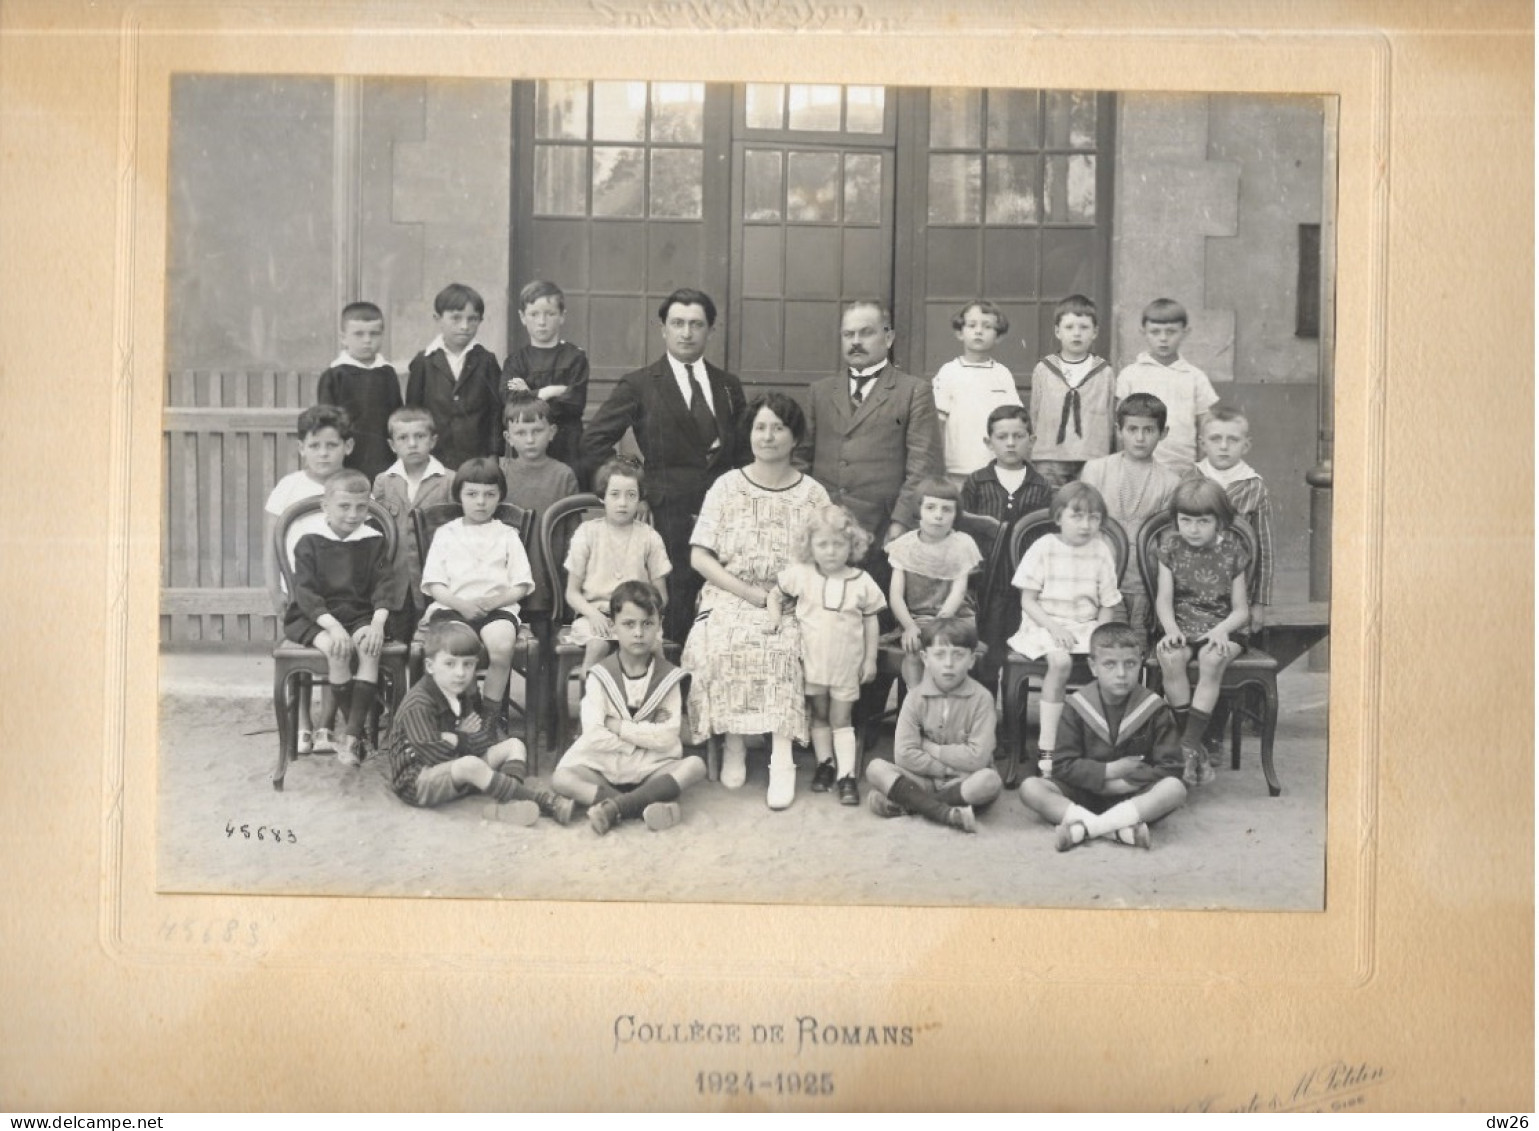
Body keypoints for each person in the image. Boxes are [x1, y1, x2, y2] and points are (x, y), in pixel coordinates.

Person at [682, 393, 832, 807]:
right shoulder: (727, 486)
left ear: (795, 437)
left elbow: (828, 558)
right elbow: (699, 556)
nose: (767, 437)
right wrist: (750, 593)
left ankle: (781, 758)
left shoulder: (813, 494)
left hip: (791, 599)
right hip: (732, 591)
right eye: (760, 427)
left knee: (784, 646)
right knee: (726, 640)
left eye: (778, 428)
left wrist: (785, 592)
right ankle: (734, 740)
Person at [581, 288, 747, 644]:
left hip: (724, 514)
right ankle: (673, 693)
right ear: (663, 329)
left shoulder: (728, 386)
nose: (686, 333)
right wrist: (636, 491)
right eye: (678, 324)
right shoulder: (640, 384)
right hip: (666, 511)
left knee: (721, 601)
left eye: (696, 325)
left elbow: (744, 453)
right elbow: (594, 441)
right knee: (676, 603)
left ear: (710, 331)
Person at [551, 581, 707, 835]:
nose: (638, 633)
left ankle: (614, 807)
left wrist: (619, 727)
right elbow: (593, 735)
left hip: (650, 767)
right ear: (613, 626)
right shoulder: (600, 675)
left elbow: (667, 735)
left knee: (694, 766)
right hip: (604, 766)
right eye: (629, 624)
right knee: (562, 778)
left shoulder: (667, 677)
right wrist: (641, 737)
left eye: (647, 624)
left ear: (659, 626)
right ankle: (638, 804)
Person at [383, 620, 572, 825]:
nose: (460, 673)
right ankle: (544, 802)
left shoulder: (460, 693)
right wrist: (463, 738)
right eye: (450, 663)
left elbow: (484, 736)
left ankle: (507, 804)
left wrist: (455, 739)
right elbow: (435, 757)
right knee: (470, 764)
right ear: (430, 666)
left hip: (457, 770)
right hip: (418, 782)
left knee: (514, 745)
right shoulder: (419, 703)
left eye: (468, 664)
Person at [798, 300, 942, 567]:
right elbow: (801, 459)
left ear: (888, 338)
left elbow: (923, 466)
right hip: (825, 530)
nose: (855, 341)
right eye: (848, 334)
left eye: (866, 332)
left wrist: (900, 523)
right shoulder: (820, 391)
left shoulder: (913, 392)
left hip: (883, 531)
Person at [1018, 622, 1187, 850]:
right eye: (1109, 664)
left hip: (1134, 794)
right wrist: (1108, 772)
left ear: (1140, 664)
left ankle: (1085, 828)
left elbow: (1171, 766)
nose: (1121, 674)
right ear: (1093, 666)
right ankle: (1119, 830)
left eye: (1130, 664)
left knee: (1174, 788)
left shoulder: (1154, 708)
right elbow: (1061, 765)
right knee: (1031, 787)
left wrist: (1122, 784)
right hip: (1082, 792)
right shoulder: (1077, 706)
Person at [764, 505, 885, 807]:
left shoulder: (862, 580)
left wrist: (870, 659)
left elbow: (871, 620)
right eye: (823, 544)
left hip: (846, 664)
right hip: (813, 663)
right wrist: (774, 618)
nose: (831, 551)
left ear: (852, 545)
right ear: (810, 546)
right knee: (819, 715)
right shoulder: (801, 575)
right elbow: (774, 595)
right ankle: (825, 765)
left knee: (841, 717)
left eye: (839, 544)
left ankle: (846, 775)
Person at [282, 469, 405, 766]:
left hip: (360, 614)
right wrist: (333, 627)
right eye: (344, 506)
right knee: (338, 649)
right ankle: (357, 732)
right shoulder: (309, 540)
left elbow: (383, 587)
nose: (353, 515)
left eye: (361, 507)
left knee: (368, 648)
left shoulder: (373, 541)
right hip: (316, 617)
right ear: (326, 506)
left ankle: (350, 738)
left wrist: (377, 624)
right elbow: (306, 593)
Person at [1006, 481, 1122, 771]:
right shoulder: (1044, 547)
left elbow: (1108, 603)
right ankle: (1048, 747)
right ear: (1059, 517)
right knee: (1059, 662)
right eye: (1077, 516)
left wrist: (1100, 638)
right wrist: (1054, 629)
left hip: (1086, 626)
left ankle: (1094, 745)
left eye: (1094, 518)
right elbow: (1028, 601)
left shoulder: (1101, 550)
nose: (1086, 525)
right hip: (1043, 624)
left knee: (1110, 665)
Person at [262, 403, 354, 754]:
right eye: (314, 446)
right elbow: (271, 541)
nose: (323, 453)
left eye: (331, 445)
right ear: (301, 448)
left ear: (347, 447)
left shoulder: (354, 485)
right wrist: (274, 589)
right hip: (298, 595)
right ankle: (302, 723)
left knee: (338, 647)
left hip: (342, 595)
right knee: (302, 658)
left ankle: (327, 724)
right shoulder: (289, 487)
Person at [419, 458, 535, 733]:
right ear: (459, 495)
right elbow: (435, 584)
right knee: (460, 647)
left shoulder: (507, 534)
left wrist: (493, 602)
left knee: (502, 646)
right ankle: (469, 710)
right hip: (453, 607)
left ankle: (489, 718)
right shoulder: (446, 533)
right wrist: (461, 604)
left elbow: (521, 584)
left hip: (497, 608)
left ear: (500, 496)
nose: (481, 502)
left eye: (489, 494)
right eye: (472, 494)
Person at [1152, 476, 1251, 787]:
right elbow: (1164, 600)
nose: (1193, 529)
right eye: (1185, 521)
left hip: (1224, 627)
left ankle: (1187, 744)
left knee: (1212, 660)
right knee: (1169, 657)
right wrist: (1169, 629)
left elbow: (1241, 611)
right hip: (1181, 624)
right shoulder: (1170, 547)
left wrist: (1221, 631)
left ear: (1220, 522)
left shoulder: (1233, 551)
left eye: (1203, 521)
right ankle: (1192, 743)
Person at [865, 617, 1001, 834]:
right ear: (925, 659)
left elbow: (977, 758)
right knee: (876, 769)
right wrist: (945, 769)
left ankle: (910, 804)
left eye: (958, 655)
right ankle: (946, 813)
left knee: (989, 781)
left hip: (964, 780)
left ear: (972, 660)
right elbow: (904, 754)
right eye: (939, 655)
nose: (948, 664)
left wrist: (931, 748)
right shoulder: (915, 698)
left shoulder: (982, 698)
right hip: (924, 778)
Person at [959, 404, 1055, 690]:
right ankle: (984, 716)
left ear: (1032, 440)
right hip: (984, 583)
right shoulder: (977, 482)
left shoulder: (1040, 486)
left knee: (1018, 651)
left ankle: (1015, 719)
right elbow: (964, 531)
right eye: (1002, 437)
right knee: (986, 652)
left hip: (1023, 585)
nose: (1011, 443)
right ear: (989, 442)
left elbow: (1045, 536)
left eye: (1019, 435)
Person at [1079, 392, 1184, 634]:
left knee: (1136, 644)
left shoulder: (1170, 481)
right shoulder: (1096, 470)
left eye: (1148, 430)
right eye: (1132, 429)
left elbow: (1167, 542)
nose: (1139, 438)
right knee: (1099, 642)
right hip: (1097, 577)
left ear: (1163, 433)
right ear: (1119, 430)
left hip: (1142, 582)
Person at [563, 456, 671, 679]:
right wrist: (593, 615)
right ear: (602, 497)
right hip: (596, 615)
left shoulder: (649, 537)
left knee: (652, 647)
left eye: (631, 495)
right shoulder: (587, 533)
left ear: (640, 498)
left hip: (639, 616)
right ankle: (593, 703)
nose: (622, 502)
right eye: (615, 494)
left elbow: (661, 595)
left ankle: (655, 702)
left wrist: (642, 617)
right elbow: (572, 592)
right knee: (598, 645)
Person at [885, 477, 983, 692]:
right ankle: (917, 697)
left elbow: (958, 592)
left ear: (956, 514)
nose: (938, 515)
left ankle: (946, 698)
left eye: (947, 510)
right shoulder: (905, 545)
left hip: (954, 617)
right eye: (930, 507)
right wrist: (909, 626)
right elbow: (895, 596)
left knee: (945, 646)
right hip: (916, 618)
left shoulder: (961, 544)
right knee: (914, 647)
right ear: (919, 510)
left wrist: (940, 623)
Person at [371, 406, 453, 634]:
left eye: (420, 436)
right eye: (403, 438)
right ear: (392, 445)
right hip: (396, 584)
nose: (412, 444)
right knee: (398, 642)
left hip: (435, 581)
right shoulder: (383, 482)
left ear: (433, 440)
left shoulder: (449, 481)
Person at [1114, 297, 1219, 475]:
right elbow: (1120, 425)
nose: (1163, 338)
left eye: (1171, 332)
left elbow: (1206, 427)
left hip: (1183, 467)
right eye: (1155, 332)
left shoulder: (1195, 377)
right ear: (1143, 332)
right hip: (1138, 467)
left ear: (1185, 332)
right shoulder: (1130, 375)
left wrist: (1202, 470)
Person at [1193, 405, 1274, 634]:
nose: (1224, 446)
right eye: (1216, 438)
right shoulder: (1191, 478)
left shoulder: (1254, 487)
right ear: (1202, 443)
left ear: (1246, 445)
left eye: (1233, 440)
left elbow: (1265, 550)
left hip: (1237, 590)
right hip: (1192, 589)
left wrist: (1259, 603)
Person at [405, 282, 503, 471]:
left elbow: (495, 411)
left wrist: (493, 454)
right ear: (438, 318)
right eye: (456, 318)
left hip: (476, 456)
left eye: (472, 319)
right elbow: (414, 412)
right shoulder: (423, 362)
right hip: (434, 457)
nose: (465, 326)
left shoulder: (486, 360)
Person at [1029, 293, 1115, 488]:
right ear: (1057, 331)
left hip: (1092, 456)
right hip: (1050, 456)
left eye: (1084, 327)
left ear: (1095, 332)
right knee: (1051, 509)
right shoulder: (1044, 369)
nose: (1077, 333)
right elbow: (1035, 414)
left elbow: (1110, 417)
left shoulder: (1104, 372)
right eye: (1069, 327)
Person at [931, 300, 1021, 483]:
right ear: (959, 333)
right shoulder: (949, 372)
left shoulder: (1002, 374)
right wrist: (938, 465)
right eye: (972, 325)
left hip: (995, 467)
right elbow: (938, 423)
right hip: (957, 467)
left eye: (987, 326)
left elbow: (1015, 420)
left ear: (998, 336)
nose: (978, 331)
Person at [500, 280, 588, 467]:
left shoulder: (575, 357)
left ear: (562, 316)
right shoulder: (516, 361)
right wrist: (546, 392)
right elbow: (510, 401)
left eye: (550, 314)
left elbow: (574, 404)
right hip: (528, 445)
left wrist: (528, 394)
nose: (542, 321)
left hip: (568, 445)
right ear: (523, 317)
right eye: (534, 314)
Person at [316, 300, 404, 482]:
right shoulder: (334, 375)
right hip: (348, 457)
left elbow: (398, 415)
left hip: (384, 454)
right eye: (358, 334)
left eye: (374, 334)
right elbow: (327, 423)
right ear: (343, 338)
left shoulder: (387, 372)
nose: (367, 340)